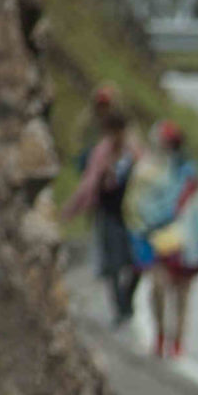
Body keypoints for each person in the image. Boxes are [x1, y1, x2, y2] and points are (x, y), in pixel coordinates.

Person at [122, 120, 198, 361]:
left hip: (185, 240)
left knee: (182, 293)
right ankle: (161, 334)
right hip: (156, 237)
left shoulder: (188, 172)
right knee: (159, 288)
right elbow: (136, 205)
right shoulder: (146, 169)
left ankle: (178, 341)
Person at [61, 85, 138, 327]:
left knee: (137, 260)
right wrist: (73, 209)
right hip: (108, 210)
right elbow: (89, 181)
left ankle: (127, 298)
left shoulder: (134, 149)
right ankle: (120, 307)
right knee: (112, 262)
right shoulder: (97, 145)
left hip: (133, 213)